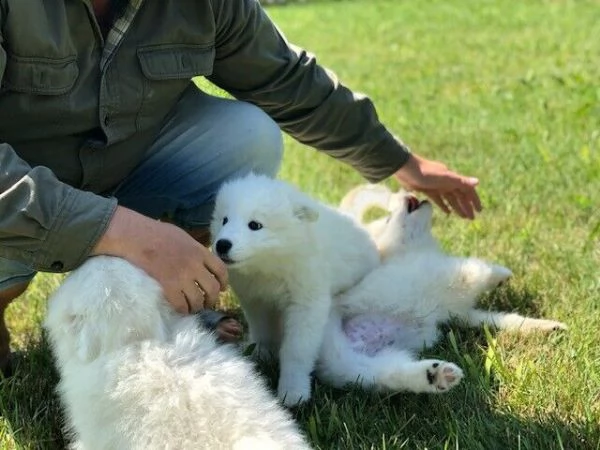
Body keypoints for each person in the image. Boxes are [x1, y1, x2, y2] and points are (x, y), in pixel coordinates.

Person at [0, 0, 481, 375]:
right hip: (15, 191)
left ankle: (171, 303)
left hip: (126, 162)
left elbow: (287, 78)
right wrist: (123, 233)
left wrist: (400, 161)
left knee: (246, 136)